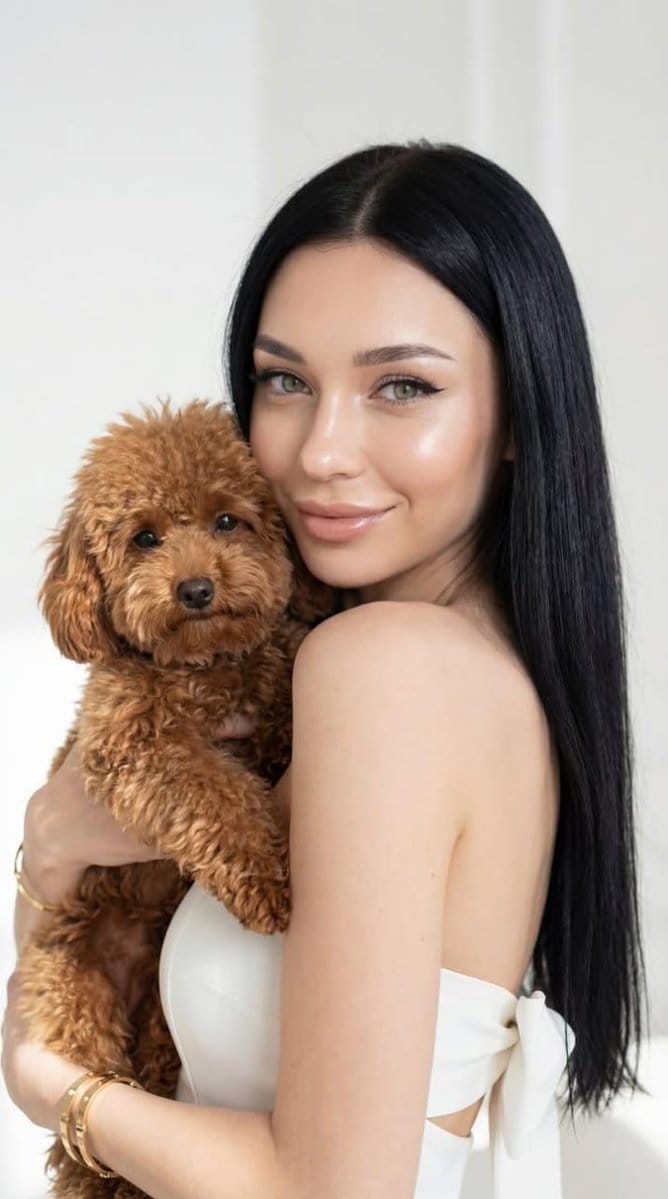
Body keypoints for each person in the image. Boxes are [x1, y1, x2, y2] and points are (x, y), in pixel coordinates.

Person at [2, 140, 649, 1199]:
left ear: (518, 417)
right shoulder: (445, 663)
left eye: (401, 384)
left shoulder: (380, 667)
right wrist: (55, 839)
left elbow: (325, 1188)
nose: (317, 451)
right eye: (282, 380)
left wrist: (55, 1092)